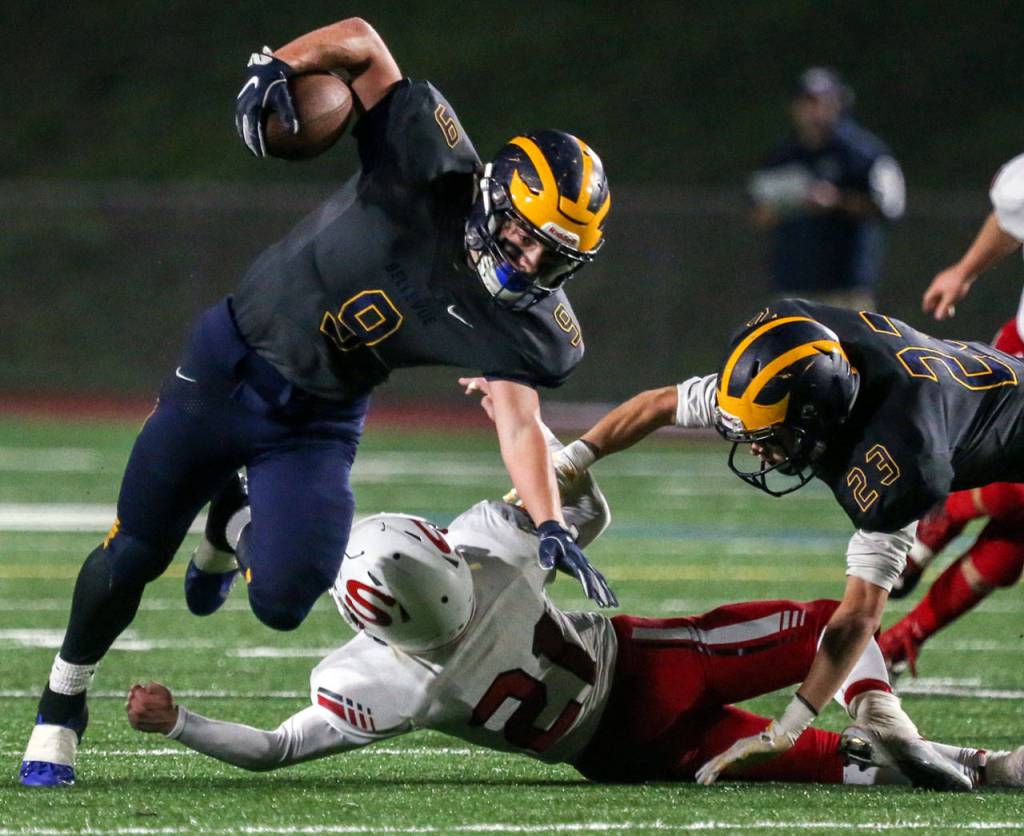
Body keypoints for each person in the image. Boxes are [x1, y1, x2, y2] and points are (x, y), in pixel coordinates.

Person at [19, 17, 615, 787]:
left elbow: (518, 415)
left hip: (318, 420)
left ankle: (232, 520)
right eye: (526, 235)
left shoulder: (533, 329)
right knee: (135, 550)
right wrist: (278, 65)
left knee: (286, 599)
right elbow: (363, 42)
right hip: (229, 366)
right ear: (493, 197)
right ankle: (61, 703)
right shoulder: (426, 166)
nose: (531, 260)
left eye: (555, 256)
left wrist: (545, 521)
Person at [125, 455, 1011, 790]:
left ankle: (972, 768)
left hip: (617, 759)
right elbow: (589, 516)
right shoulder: (486, 551)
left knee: (818, 768)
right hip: (655, 666)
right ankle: (931, 740)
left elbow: (274, 750)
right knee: (833, 623)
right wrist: (562, 471)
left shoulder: (381, 679)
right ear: (445, 556)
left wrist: (181, 724)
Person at [478, 296, 1024, 779]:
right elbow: (658, 405)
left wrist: (788, 726)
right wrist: (570, 462)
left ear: (815, 416)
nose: (758, 450)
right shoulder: (803, 362)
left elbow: (857, 617)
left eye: (770, 438)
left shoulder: (900, 455)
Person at [880, 152, 1024, 676]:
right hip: (1021, 359)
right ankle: (935, 519)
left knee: (1013, 543)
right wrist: (965, 271)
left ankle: (898, 641)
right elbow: (1014, 213)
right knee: (1011, 496)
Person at [748, 67, 905, 310]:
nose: (814, 110)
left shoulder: (863, 153)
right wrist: (790, 203)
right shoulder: (781, 157)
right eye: (807, 102)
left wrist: (837, 201)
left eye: (822, 101)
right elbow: (758, 214)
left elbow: (891, 208)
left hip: (846, 290)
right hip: (793, 289)